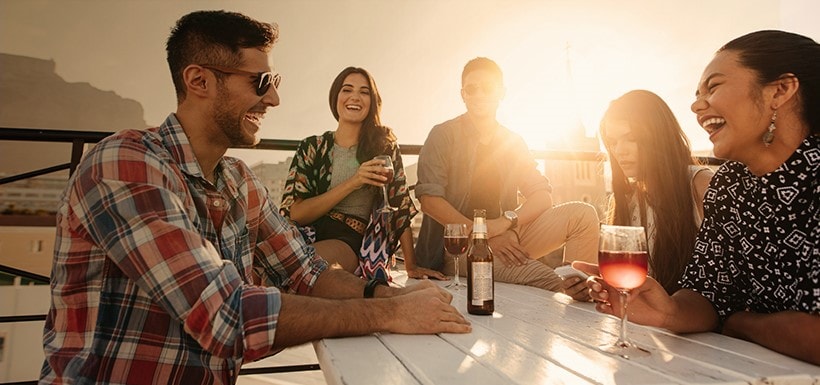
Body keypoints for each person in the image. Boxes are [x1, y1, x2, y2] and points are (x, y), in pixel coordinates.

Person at [39, 10, 470, 384]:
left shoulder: (239, 182)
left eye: (274, 80)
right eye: (261, 81)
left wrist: (396, 296)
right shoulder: (124, 163)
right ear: (199, 80)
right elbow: (225, 316)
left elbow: (307, 272)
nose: (275, 98)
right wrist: (389, 316)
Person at [576, 30, 819, 365]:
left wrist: (740, 323)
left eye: (714, 86)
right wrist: (668, 312)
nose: (695, 105)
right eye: (696, 93)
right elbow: (707, 296)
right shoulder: (731, 186)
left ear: (780, 90)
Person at [412, 57, 600, 299]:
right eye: (472, 88)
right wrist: (483, 235)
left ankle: (581, 286)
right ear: (463, 94)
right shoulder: (443, 135)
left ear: (501, 92)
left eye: (488, 87)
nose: (479, 94)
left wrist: (505, 224)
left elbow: (542, 196)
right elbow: (429, 201)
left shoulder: (512, 141)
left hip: (507, 237)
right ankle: (578, 295)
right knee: (551, 281)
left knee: (582, 215)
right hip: (457, 246)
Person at [280, 67, 419, 283]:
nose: (355, 97)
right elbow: (296, 213)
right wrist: (355, 181)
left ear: (372, 101)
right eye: (347, 90)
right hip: (306, 234)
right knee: (264, 264)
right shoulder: (312, 147)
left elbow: (399, 206)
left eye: (364, 92)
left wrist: (412, 266)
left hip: (350, 238)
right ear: (336, 97)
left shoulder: (383, 147)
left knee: (304, 267)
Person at [600, 90, 714, 293]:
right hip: (640, 320)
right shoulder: (625, 201)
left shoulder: (700, 185)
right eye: (613, 142)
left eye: (631, 138)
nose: (620, 150)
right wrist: (594, 286)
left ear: (658, 136)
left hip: (695, 321)